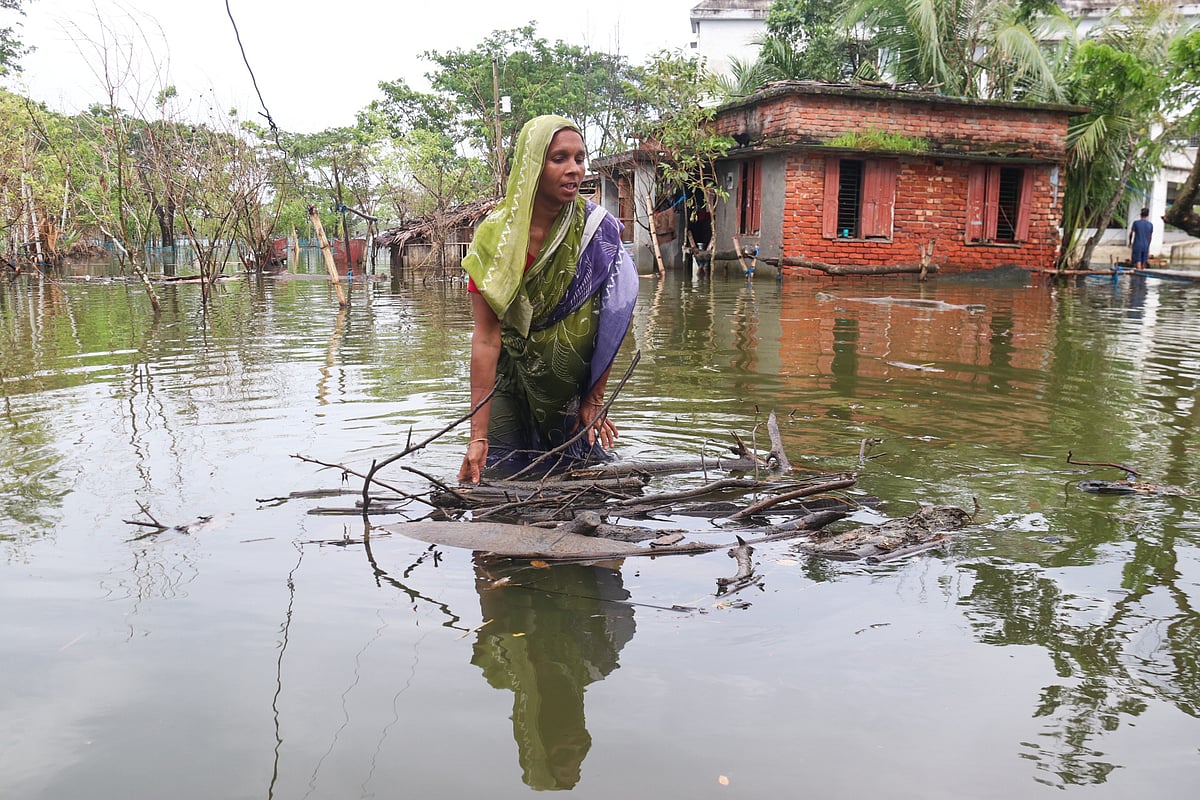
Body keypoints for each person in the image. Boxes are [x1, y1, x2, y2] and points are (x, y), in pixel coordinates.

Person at [458, 115, 638, 483]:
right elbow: (486, 338)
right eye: (559, 158)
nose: (574, 170)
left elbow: (612, 318)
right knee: (497, 484)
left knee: (581, 483)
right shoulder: (496, 238)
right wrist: (476, 436)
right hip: (511, 380)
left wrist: (594, 399)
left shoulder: (596, 230)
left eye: (579, 158)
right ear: (532, 165)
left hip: (572, 390)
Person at [1129, 207, 1153, 271]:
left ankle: (1138, 277)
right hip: (1146, 245)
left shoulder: (1136, 223)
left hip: (1137, 245)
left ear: (1140, 214)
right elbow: (1150, 237)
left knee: (1138, 261)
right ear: (1147, 215)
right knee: (1143, 262)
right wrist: (1148, 245)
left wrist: (1129, 242)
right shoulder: (1150, 225)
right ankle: (1143, 277)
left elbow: (1131, 233)